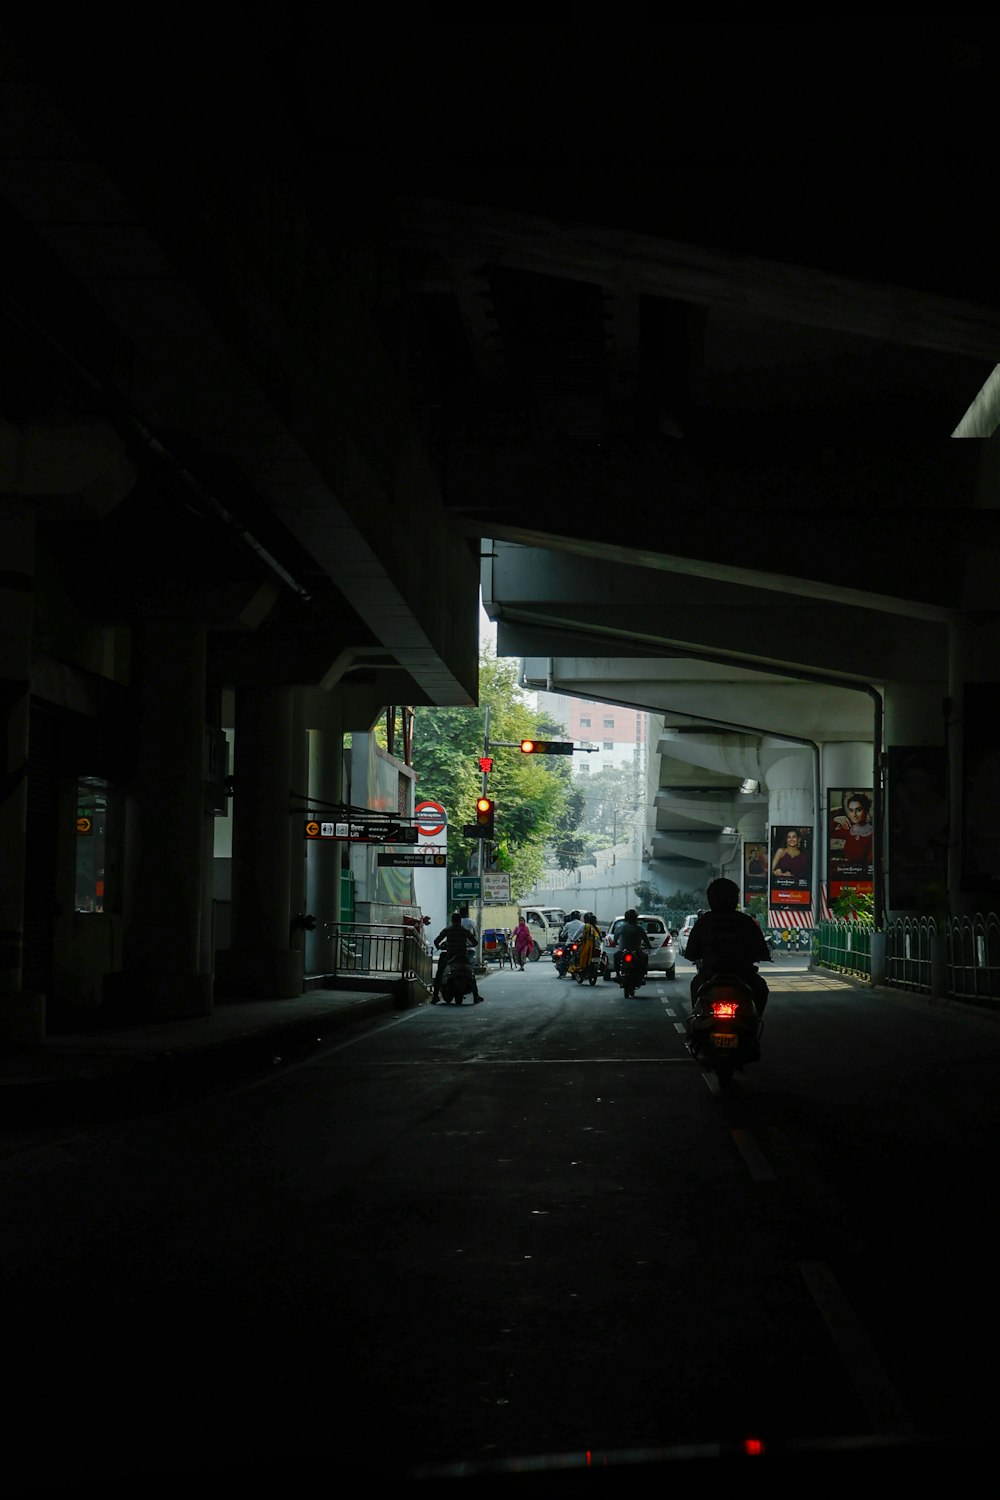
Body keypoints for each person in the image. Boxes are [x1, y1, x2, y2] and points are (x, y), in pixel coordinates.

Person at [684, 877, 772, 1016]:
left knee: (696, 986)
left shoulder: (704, 922)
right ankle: (753, 1025)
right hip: (743, 976)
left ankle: (696, 1021)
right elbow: (762, 950)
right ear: (734, 899)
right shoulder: (746, 922)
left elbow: (690, 953)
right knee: (761, 988)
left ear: (711, 899)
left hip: (710, 975)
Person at [431, 911, 482, 1003]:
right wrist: (468, 944)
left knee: (440, 972)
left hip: (450, 956)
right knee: (471, 974)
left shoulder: (447, 930)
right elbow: (475, 942)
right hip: (463, 956)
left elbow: (436, 941)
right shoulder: (465, 930)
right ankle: (476, 996)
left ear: (452, 921)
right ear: (460, 921)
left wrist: (439, 947)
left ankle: (435, 996)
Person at [830, 791, 873, 867]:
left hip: (864, 873)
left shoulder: (872, 832)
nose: (854, 815)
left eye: (858, 810)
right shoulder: (849, 828)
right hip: (848, 870)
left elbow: (871, 861)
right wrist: (835, 821)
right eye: (851, 810)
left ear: (866, 810)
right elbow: (827, 834)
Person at [613, 908, 651, 980]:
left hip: (622, 951)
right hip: (637, 951)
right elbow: (646, 940)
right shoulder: (639, 928)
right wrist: (649, 946)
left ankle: (617, 974)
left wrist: (616, 944)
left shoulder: (620, 928)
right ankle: (642, 976)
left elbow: (615, 939)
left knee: (616, 956)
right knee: (645, 957)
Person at [568, 911, 602, 978]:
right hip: (597, 947)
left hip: (586, 947)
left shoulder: (584, 926)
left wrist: (573, 939)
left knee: (577, 955)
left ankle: (579, 968)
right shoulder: (598, 927)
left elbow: (576, 935)